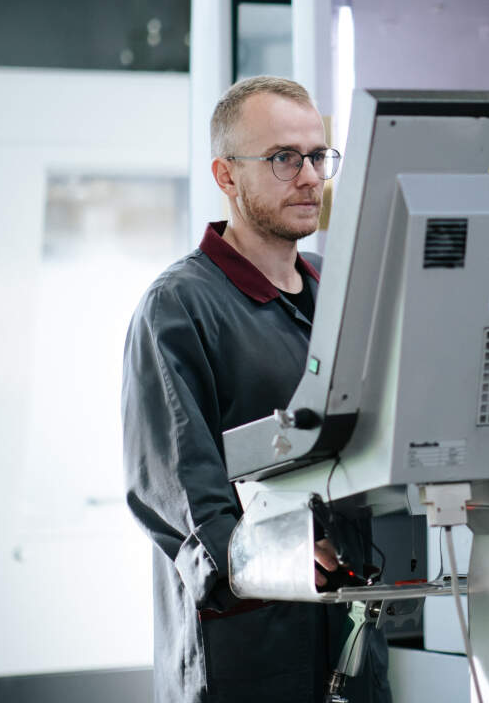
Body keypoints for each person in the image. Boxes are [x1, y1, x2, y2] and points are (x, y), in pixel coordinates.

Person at [122, 76, 390, 703]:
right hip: (246, 657)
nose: (309, 177)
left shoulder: (338, 293)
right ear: (226, 175)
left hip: (349, 641)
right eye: (283, 158)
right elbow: (182, 498)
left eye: (317, 156)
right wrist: (280, 562)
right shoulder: (178, 308)